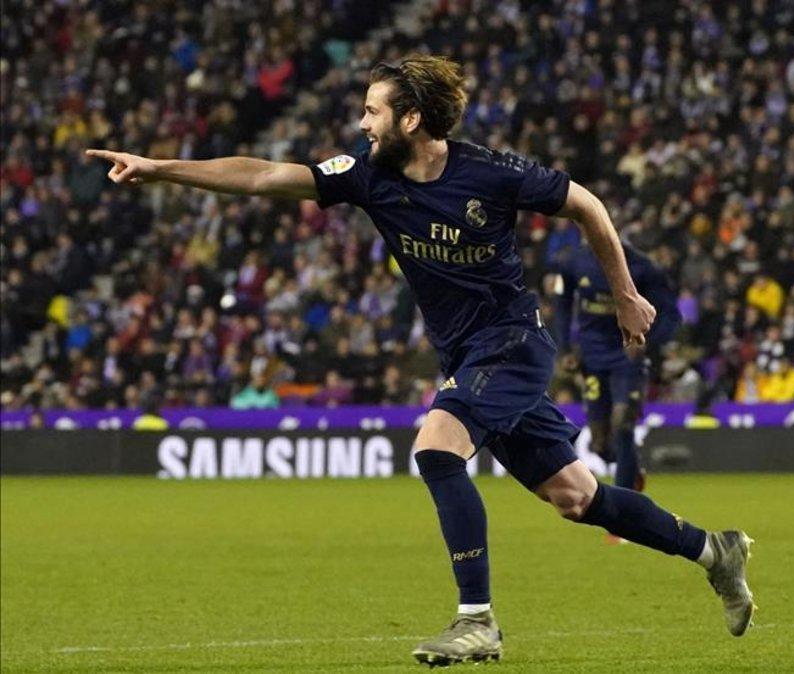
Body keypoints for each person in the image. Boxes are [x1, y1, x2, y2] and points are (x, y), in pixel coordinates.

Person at [87, 54, 754, 667]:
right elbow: (263, 174)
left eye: (373, 110)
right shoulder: (368, 176)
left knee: (436, 447)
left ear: (411, 118)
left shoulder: (493, 173)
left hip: (514, 342)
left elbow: (588, 206)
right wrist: (161, 167)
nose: (362, 122)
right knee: (577, 498)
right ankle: (712, 550)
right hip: (469, 353)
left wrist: (627, 294)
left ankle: (477, 620)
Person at [553, 240, 681, 539]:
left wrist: (649, 342)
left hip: (628, 357)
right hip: (592, 358)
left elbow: (671, 316)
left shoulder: (643, 267)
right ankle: (632, 467)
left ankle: (623, 518)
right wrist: (565, 348)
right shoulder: (573, 264)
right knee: (600, 442)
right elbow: (561, 307)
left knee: (623, 424)